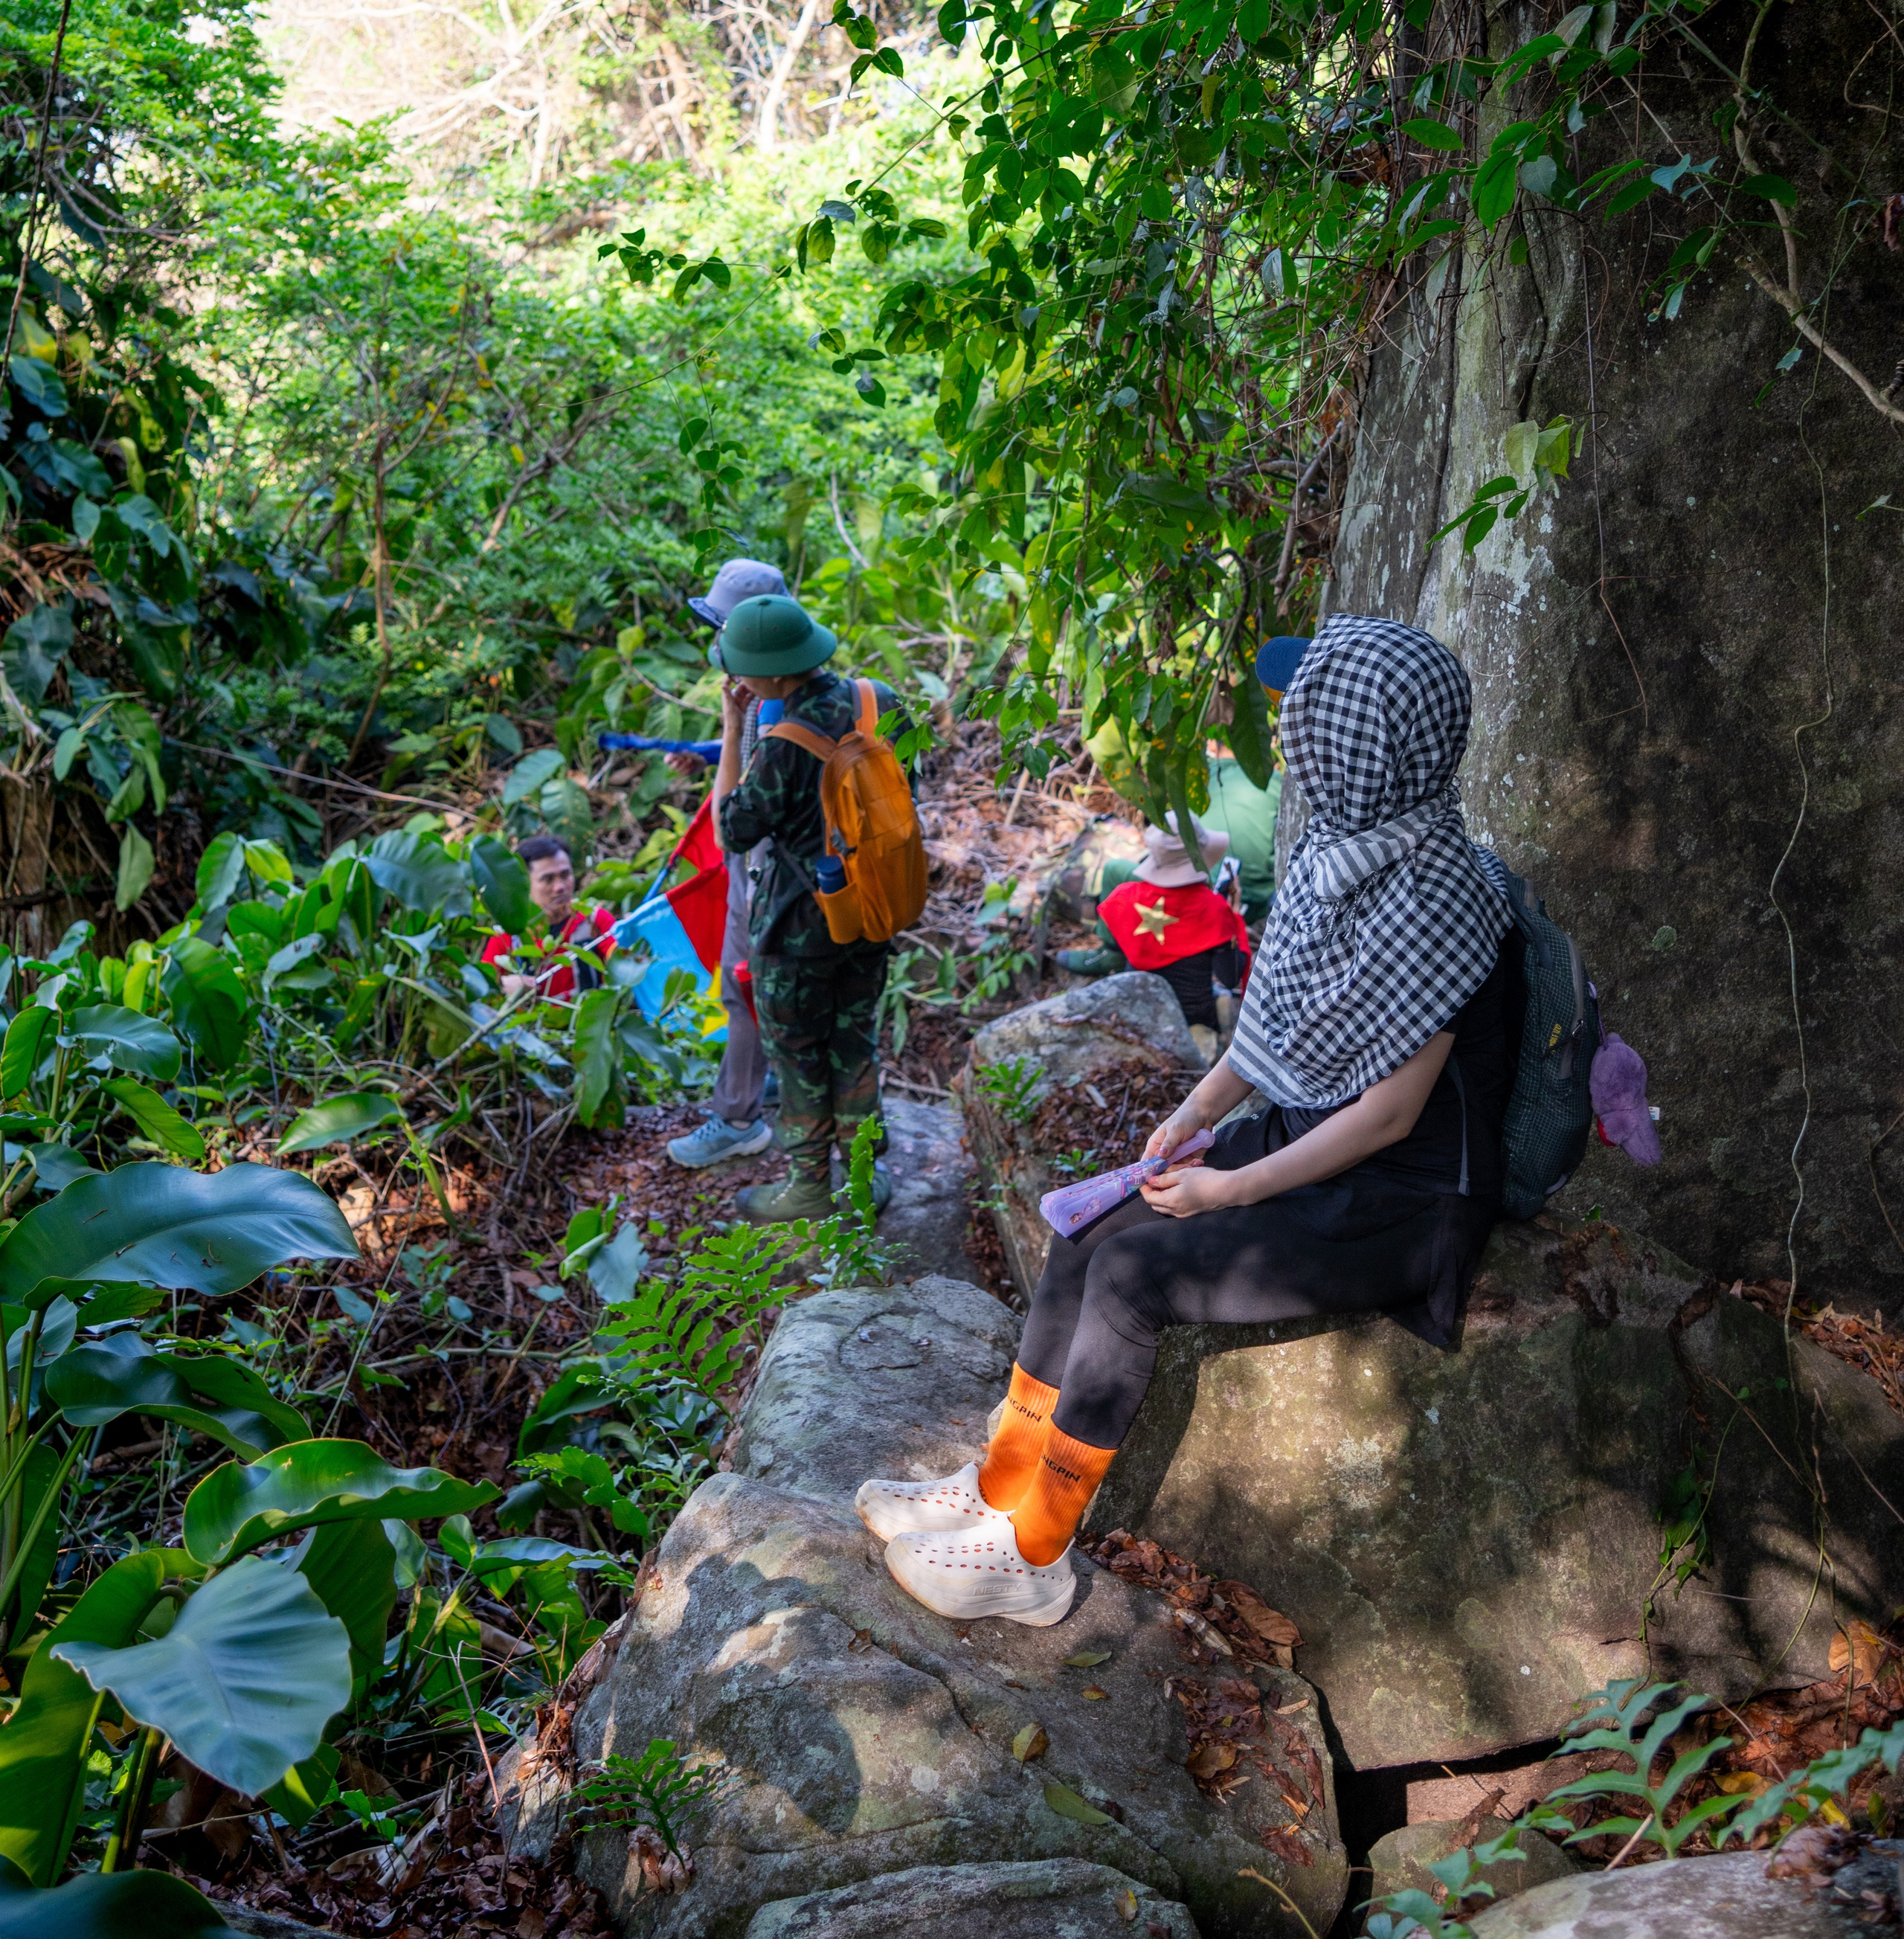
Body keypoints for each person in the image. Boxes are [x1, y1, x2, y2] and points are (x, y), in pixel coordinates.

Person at [854, 615, 1519, 1627]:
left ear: (1359, 740)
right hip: (1305, 1136)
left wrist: (1230, 1184)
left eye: (1312, 711)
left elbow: (1391, 1115)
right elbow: (1276, 1018)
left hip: (1398, 1198)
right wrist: (1197, 1109)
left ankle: (1031, 1556)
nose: (1291, 726)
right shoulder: (1346, 848)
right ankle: (998, 1482)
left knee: (1135, 1274)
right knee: (1091, 1230)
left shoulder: (1441, 896)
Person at [712, 594, 903, 1224]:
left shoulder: (784, 740)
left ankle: (810, 1186)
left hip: (797, 928)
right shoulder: (877, 702)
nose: (739, 679)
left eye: (744, 670)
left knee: (798, 1056)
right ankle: (863, 1183)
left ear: (772, 676)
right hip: (872, 910)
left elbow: (731, 830)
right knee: (855, 1043)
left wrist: (733, 730)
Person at [656, 558, 791, 1169]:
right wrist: (715, 747)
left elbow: (732, 822)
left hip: (767, 873)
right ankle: (769, 1078)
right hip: (785, 872)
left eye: (724, 627)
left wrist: (730, 733)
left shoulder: (767, 707)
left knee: (744, 986)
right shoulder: (799, 690)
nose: (716, 641)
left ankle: (738, 1115)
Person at [1093, 814, 1251, 1035]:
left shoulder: (1123, 896)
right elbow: (1230, 976)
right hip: (1192, 1020)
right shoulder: (1214, 909)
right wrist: (1234, 916)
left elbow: (1123, 944)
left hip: (1136, 1009)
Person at [480, 835, 615, 1000]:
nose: (560, 887)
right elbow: (482, 987)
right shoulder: (507, 936)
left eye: (566, 875)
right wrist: (502, 985)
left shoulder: (594, 920)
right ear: (525, 883)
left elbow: (622, 957)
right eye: (548, 880)